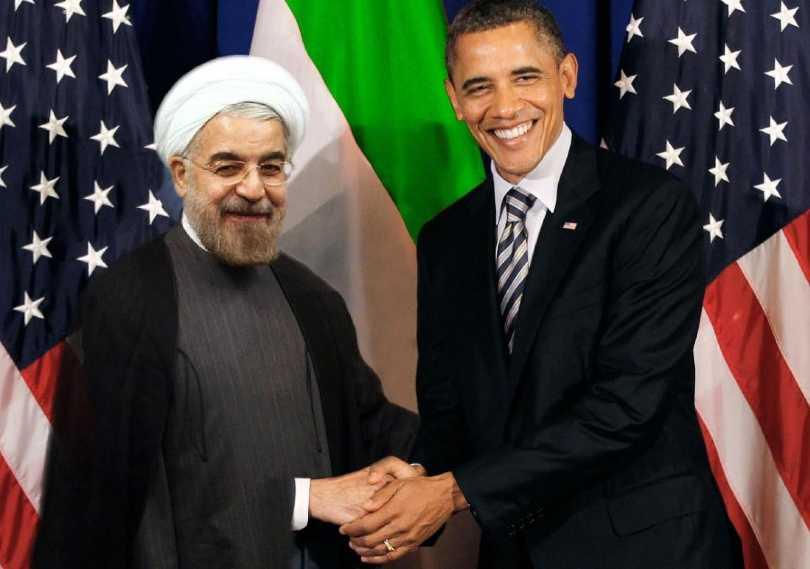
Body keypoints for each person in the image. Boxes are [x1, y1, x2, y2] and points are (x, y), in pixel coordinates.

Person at [341, 2, 743, 568]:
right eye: (479, 87)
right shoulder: (446, 240)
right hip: (515, 555)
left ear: (567, 77)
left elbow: (625, 408)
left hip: (648, 552)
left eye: (525, 77)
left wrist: (451, 492)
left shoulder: (649, 208)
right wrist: (416, 477)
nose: (505, 107)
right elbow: (449, 411)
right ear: (454, 100)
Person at [33, 55, 418, 569]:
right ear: (181, 175)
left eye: (271, 167)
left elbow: (368, 426)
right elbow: (122, 498)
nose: (254, 189)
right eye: (228, 166)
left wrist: (439, 475)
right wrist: (304, 499)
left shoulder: (312, 298)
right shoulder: (130, 299)